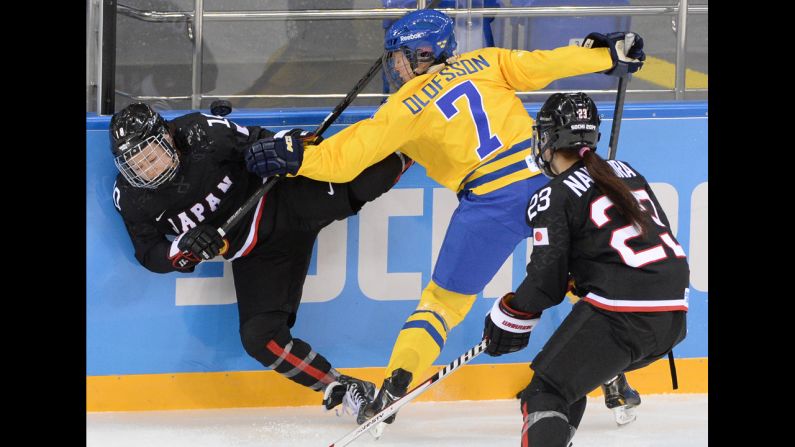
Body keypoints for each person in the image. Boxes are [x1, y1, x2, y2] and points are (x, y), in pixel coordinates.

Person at [243, 9, 646, 425]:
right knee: (586, 276)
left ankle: (393, 390)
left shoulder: (404, 107)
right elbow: (546, 64)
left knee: (441, 305)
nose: (394, 65)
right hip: (549, 180)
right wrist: (607, 54)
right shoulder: (487, 61)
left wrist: (296, 158)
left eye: (399, 56)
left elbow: (345, 160)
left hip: (490, 201)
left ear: (422, 54)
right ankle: (612, 375)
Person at [109, 102, 412, 418]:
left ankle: (419, 143)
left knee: (359, 184)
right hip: (260, 254)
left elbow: (261, 141)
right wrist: (181, 248)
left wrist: (283, 145)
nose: (148, 169)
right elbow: (149, 253)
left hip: (285, 197)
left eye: (151, 155)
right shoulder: (131, 197)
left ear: (168, 138)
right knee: (259, 338)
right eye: (136, 164)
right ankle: (344, 387)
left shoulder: (202, 133)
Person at [482, 92, 688, 446]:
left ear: (548, 139)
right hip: (672, 315)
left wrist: (511, 312)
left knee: (545, 392)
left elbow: (546, 283)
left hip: (622, 316)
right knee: (566, 381)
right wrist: (585, 276)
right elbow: (646, 242)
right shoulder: (627, 173)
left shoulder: (553, 195)